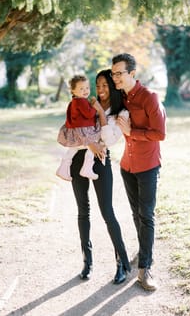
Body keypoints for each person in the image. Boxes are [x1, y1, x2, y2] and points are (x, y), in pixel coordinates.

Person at [70, 69, 131, 284]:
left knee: (107, 212)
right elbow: (73, 126)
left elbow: (111, 140)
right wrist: (89, 143)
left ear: (112, 87)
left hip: (102, 160)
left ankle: (121, 262)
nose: (101, 89)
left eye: (105, 85)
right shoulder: (84, 103)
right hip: (79, 157)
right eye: (98, 85)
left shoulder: (120, 112)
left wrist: (101, 114)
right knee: (82, 211)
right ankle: (87, 261)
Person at [111, 53, 166, 291]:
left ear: (132, 73)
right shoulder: (121, 98)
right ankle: (145, 253)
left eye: (119, 73)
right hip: (127, 166)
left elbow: (159, 134)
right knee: (136, 214)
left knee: (146, 215)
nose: (115, 78)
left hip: (148, 166)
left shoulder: (150, 98)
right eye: (113, 73)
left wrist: (132, 131)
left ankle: (145, 269)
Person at [56, 75, 103, 181]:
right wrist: (95, 107)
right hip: (84, 130)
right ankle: (87, 168)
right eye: (81, 89)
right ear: (73, 91)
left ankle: (63, 168)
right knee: (94, 144)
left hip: (76, 130)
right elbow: (89, 114)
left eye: (87, 88)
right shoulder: (81, 101)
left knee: (73, 148)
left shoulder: (73, 102)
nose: (85, 91)